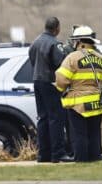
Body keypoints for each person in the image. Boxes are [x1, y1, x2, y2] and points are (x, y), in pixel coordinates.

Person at [55, 25, 102, 162]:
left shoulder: (72, 58)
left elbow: (61, 79)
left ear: (80, 42)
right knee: (94, 133)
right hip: (97, 104)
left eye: (75, 41)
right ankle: (94, 157)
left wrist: (61, 89)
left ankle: (81, 160)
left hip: (78, 105)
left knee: (79, 134)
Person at [28, 17, 73, 163]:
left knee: (43, 118)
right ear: (57, 28)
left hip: (37, 81)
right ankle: (58, 154)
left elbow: (32, 61)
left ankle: (43, 154)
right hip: (50, 83)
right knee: (56, 118)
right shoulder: (54, 43)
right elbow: (61, 63)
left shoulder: (35, 42)